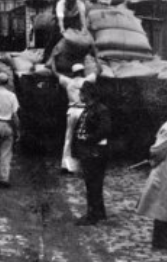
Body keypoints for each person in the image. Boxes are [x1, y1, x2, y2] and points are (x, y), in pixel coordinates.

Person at [72, 81, 111, 226]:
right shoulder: (90, 109)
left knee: (93, 183)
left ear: (88, 94)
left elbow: (105, 130)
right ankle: (98, 212)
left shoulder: (100, 110)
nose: (80, 95)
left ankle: (93, 215)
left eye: (82, 92)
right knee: (93, 182)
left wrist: (88, 139)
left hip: (95, 151)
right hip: (90, 150)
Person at [137, 115, 167, 251]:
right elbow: (157, 150)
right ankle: (160, 241)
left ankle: (162, 240)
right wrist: (155, 161)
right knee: (163, 204)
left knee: (166, 204)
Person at [55, 63, 94, 174]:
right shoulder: (87, 81)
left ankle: (65, 165)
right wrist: (96, 57)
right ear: (82, 71)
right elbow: (99, 71)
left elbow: (55, 73)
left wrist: (53, 61)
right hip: (83, 111)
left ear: (73, 73)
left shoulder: (68, 81)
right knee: (85, 136)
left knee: (68, 138)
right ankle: (85, 164)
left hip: (71, 111)